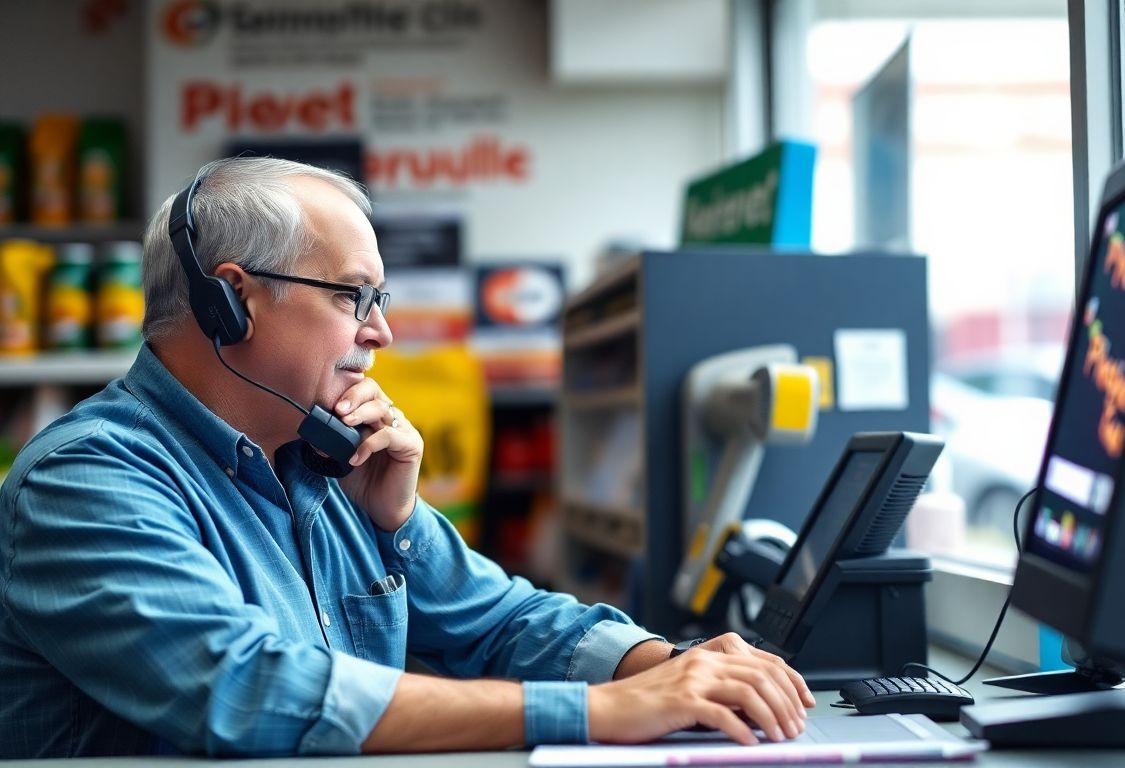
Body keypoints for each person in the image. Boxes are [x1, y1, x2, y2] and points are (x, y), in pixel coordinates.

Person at [0, 157, 813, 758]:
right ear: (233, 300)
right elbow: (250, 690)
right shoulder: (86, 481)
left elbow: (503, 621)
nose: (380, 332)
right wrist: (603, 712)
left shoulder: (321, 462)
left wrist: (676, 667)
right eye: (352, 296)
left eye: (378, 301)